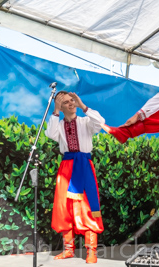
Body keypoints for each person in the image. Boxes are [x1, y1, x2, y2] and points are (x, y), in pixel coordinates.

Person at [45, 91, 105, 263]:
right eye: (66, 102)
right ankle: (68, 249)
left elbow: (100, 123)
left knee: (87, 206)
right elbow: (50, 134)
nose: (70, 104)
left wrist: (83, 105)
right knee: (64, 207)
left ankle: (91, 251)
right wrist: (55, 111)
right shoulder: (59, 124)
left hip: (84, 165)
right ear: (61, 107)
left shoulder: (86, 121)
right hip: (67, 166)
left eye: (72, 101)